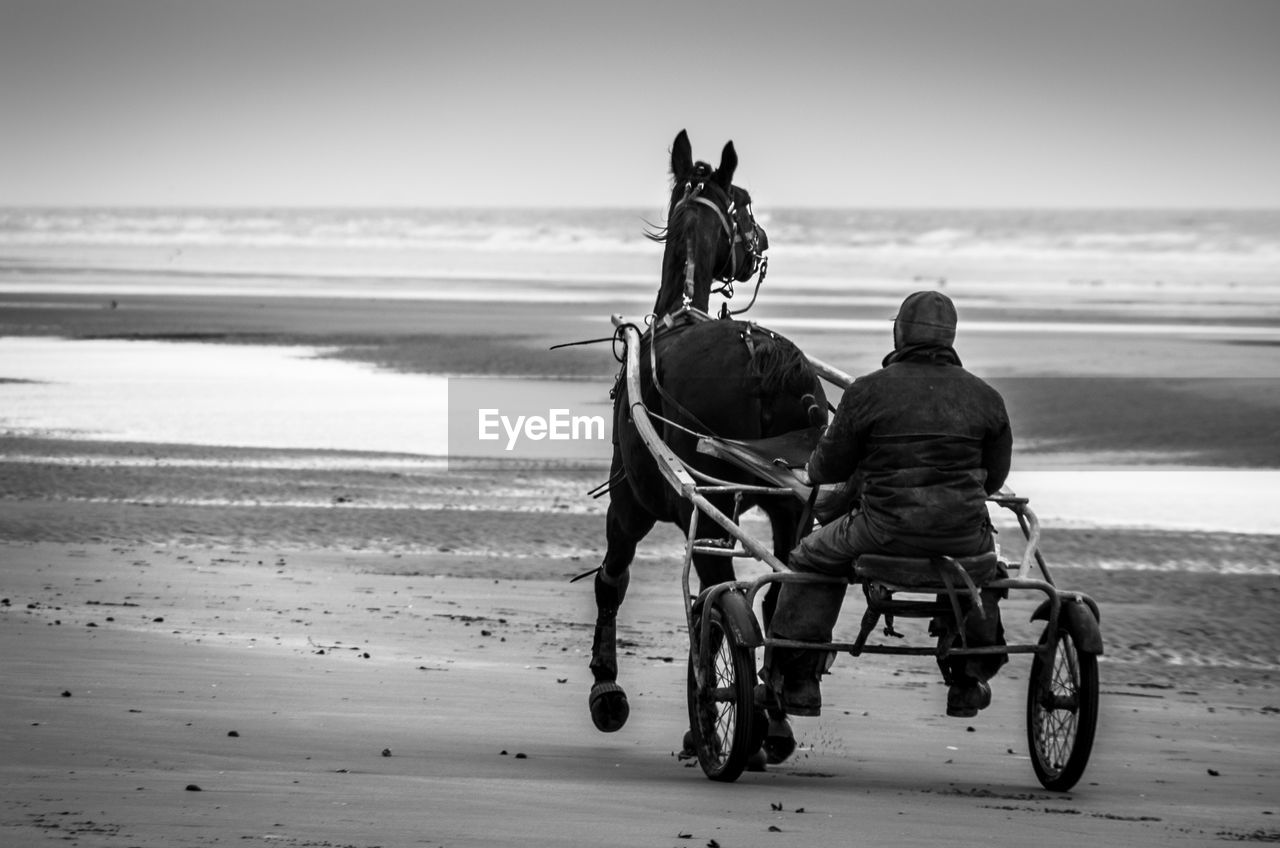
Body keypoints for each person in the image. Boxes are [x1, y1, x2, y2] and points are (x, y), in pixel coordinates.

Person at [762, 290, 1013, 718]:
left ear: (899, 333)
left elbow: (824, 470)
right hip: (963, 539)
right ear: (949, 337)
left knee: (809, 556)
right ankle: (969, 677)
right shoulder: (986, 397)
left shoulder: (866, 393)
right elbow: (996, 477)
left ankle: (801, 679)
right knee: (987, 564)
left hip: (881, 533)